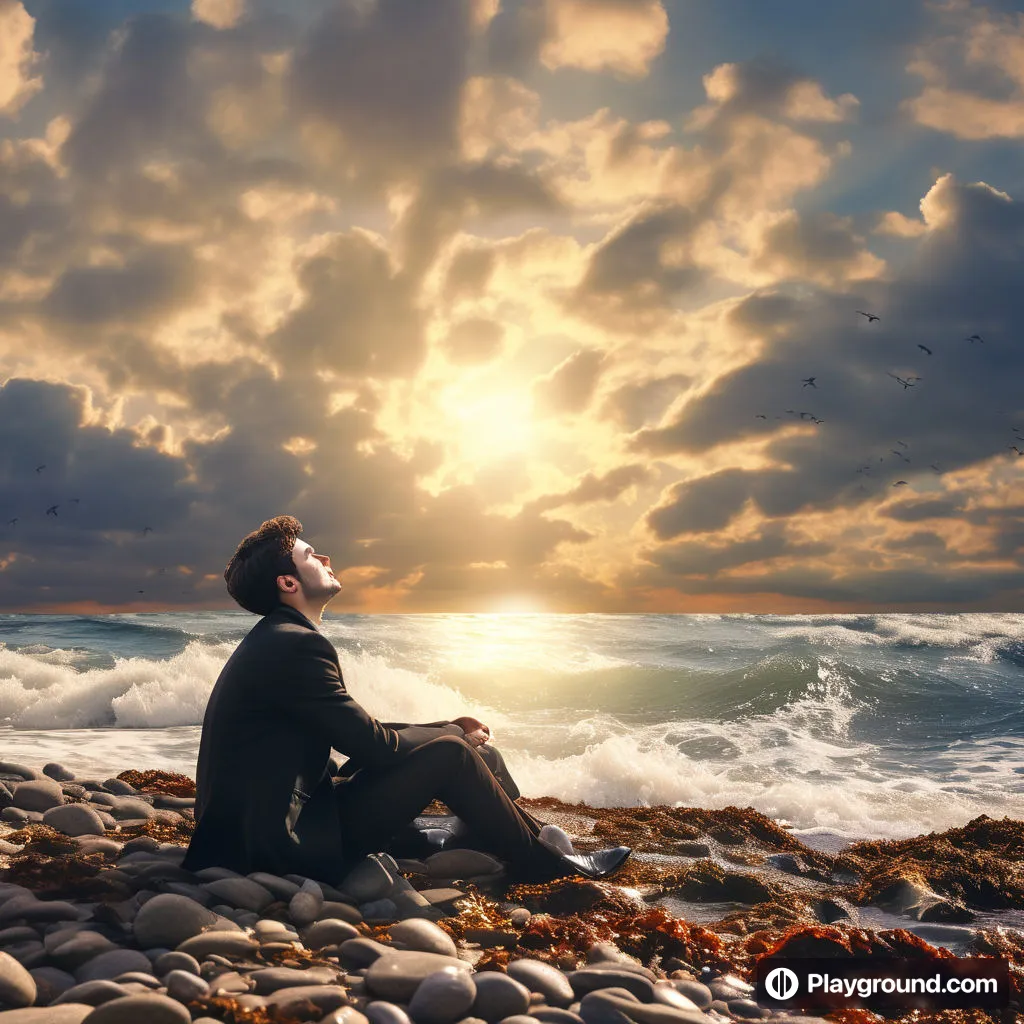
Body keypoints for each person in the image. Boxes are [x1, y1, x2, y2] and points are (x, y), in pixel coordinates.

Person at [182, 515, 630, 886]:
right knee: (454, 754)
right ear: (288, 581)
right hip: (275, 845)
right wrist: (452, 734)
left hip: (269, 824)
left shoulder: (280, 638)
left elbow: (355, 733)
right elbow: (374, 746)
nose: (325, 558)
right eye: (309, 555)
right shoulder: (296, 645)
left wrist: (445, 725)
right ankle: (544, 864)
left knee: (477, 751)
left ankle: (491, 843)